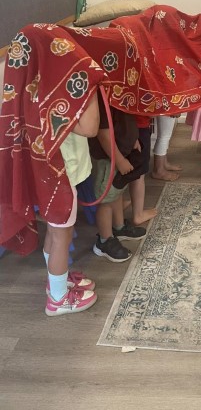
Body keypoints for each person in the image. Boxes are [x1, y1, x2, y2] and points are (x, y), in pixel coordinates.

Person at [44, 93, 99, 316]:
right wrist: (92, 85)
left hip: (58, 168)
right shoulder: (56, 82)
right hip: (61, 171)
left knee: (54, 231)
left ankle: (56, 281)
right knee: (61, 235)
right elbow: (90, 128)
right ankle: (58, 299)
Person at [89, 97, 147, 262]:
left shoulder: (118, 90)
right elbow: (103, 133)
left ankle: (119, 227)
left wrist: (133, 139)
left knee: (117, 192)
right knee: (106, 200)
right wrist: (119, 160)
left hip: (120, 152)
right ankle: (104, 240)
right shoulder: (101, 96)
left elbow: (124, 119)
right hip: (108, 157)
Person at [127, 116, 158, 225]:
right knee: (139, 174)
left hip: (123, 128)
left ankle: (119, 203)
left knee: (126, 170)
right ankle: (138, 215)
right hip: (138, 127)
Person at [151, 115, 182, 181]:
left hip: (165, 108)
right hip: (166, 109)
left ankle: (164, 163)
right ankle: (158, 170)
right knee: (164, 137)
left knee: (164, 136)